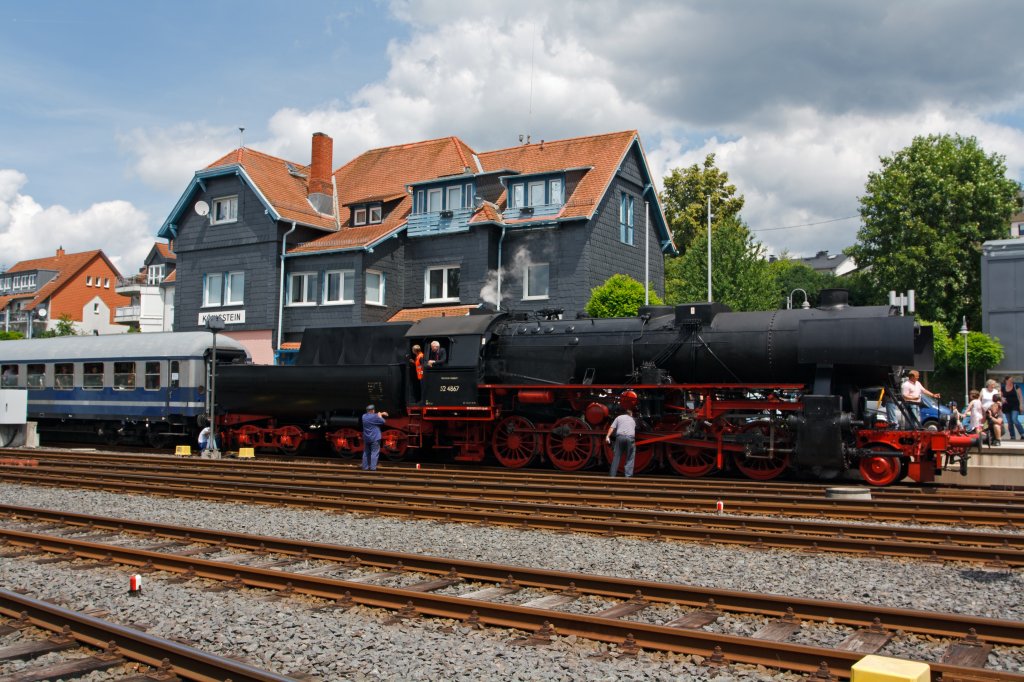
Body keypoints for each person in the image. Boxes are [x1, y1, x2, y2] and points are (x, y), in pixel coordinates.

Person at [605, 407, 637, 478]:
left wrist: (607, 436)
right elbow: (637, 428)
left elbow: (611, 428)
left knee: (616, 456)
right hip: (630, 438)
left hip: (620, 438)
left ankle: (612, 475)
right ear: (630, 414)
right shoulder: (633, 419)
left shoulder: (618, 418)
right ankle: (628, 476)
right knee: (630, 457)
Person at [360, 404, 388, 471]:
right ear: (373, 410)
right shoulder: (375, 417)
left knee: (366, 452)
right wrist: (380, 415)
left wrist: (380, 413)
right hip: (375, 438)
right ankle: (373, 468)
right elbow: (383, 421)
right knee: (374, 453)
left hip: (367, 438)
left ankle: (365, 467)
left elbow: (373, 415)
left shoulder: (364, 416)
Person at [1001, 376, 1023, 440]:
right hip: (1006, 406)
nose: (1012, 381)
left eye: (1012, 380)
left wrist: (1021, 405)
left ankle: (1022, 433)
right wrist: (1002, 399)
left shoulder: (1016, 386)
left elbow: (1020, 397)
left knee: (1014, 419)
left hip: (1015, 406)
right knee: (1010, 422)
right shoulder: (1003, 388)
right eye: (1010, 380)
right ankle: (1012, 436)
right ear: (1006, 380)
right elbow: (1000, 396)